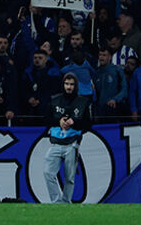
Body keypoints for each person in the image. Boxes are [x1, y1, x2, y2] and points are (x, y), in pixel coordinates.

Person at [44, 72, 92, 204]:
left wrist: (74, 122)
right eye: (66, 84)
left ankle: (65, 202)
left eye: (71, 84)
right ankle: (56, 202)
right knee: (48, 173)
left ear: (76, 86)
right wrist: (58, 121)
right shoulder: (54, 100)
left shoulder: (83, 102)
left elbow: (88, 124)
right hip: (55, 143)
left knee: (70, 177)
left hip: (72, 144)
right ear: (63, 84)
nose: (69, 87)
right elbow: (46, 120)